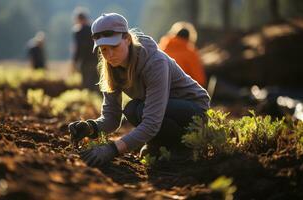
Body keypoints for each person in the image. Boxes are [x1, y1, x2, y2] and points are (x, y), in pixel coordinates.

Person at [68, 13, 210, 167]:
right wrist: (90, 127)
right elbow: (112, 118)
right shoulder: (111, 68)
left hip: (194, 111)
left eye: (114, 47)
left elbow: (151, 122)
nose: (110, 55)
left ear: (127, 39)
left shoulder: (155, 62)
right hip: (162, 110)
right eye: (103, 50)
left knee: (140, 110)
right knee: (131, 109)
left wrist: (113, 149)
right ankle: (161, 143)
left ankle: (184, 148)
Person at [159, 21, 207, 87]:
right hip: (181, 91)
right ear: (190, 38)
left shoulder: (161, 49)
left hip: (161, 88)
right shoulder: (191, 54)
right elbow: (199, 80)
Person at [72, 7, 99, 92]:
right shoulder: (93, 29)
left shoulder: (78, 31)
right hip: (96, 60)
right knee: (97, 84)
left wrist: (74, 62)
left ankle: (89, 103)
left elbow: (78, 48)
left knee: (87, 85)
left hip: (85, 62)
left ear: (78, 19)